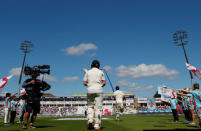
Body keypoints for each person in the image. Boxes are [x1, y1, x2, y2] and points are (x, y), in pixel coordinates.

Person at [83, 60, 106, 130]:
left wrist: (89, 85)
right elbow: (104, 83)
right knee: (98, 108)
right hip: (99, 90)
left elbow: (84, 83)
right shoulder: (101, 72)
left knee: (90, 106)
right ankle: (97, 125)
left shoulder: (88, 72)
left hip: (90, 90)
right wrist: (100, 86)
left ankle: (90, 121)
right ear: (98, 65)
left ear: (91, 65)